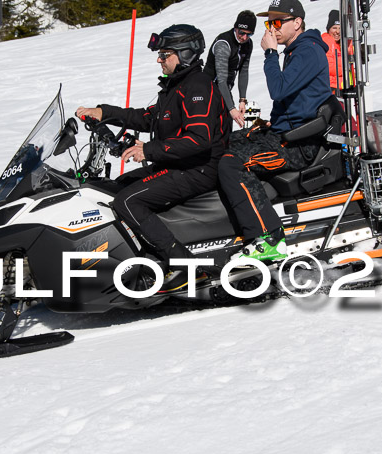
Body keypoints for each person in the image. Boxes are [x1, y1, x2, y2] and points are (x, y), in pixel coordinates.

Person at [76, 24, 230, 288]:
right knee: (113, 188)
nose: (159, 59)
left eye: (165, 54)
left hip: (198, 168)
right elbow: (148, 117)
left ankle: (185, 266)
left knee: (127, 202)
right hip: (177, 163)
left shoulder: (198, 87)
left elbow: (199, 139)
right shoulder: (176, 86)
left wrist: (148, 150)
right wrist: (104, 112)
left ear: (185, 54)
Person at [218, 0, 331, 262]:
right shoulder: (297, 50)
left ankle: (270, 238)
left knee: (231, 164)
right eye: (269, 23)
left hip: (298, 146)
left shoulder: (307, 52)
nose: (272, 29)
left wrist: (270, 54)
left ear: (297, 23)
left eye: (277, 22)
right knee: (222, 143)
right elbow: (292, 100)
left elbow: (278, 90)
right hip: (285, 134)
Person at [203, 11, 257, 128]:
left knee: (226, 129)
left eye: (249, 34)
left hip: (225, 90)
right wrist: (232, 109)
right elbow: (221, 79)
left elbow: (243, 70)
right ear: (235, 27)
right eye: (241, 33)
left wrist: (242, 100)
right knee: (210, 130)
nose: (244, 37)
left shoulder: (248, 44)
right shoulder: (224, 43)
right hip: (207, 91)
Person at [321, 9, 346, 94]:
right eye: (334, 28)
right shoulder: (327, 42)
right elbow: (329, 67)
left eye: (340, 28)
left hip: (342, 86)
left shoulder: (341, 44)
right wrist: (347, 68)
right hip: (331, 87)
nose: (337, 32)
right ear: (328, 29)